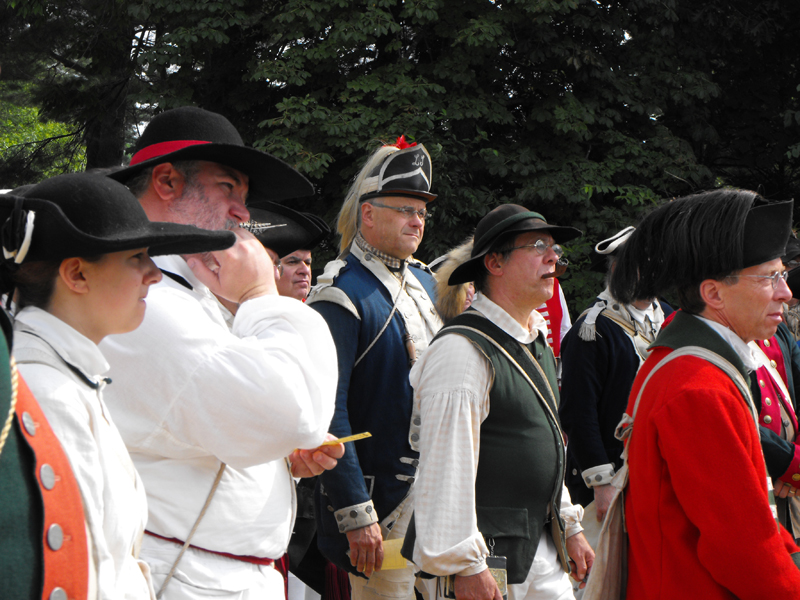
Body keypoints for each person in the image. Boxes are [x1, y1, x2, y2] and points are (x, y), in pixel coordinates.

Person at [101, 106, 343, 599]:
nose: (243, 213)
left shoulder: (183, 293)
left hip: (207, 573)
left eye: (244, 197)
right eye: (228, 188)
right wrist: (260, 295)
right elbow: (288, 412)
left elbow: (234, 422)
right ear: (167, 181)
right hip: (184, 578)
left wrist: (278, 457)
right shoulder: (142, 300)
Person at [1, 172, 236, 599]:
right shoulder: (47, 391)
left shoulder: (67, 375)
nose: (154, 274)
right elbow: (78, 575)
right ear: (77, 274)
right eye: (136, 257)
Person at [609, 189, 800, 598]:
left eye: (783, 275)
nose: (785, 292)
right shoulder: (698, 388)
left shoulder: (688, 366)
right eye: (770, 277)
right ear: (713, 294)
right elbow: (744, 552)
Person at [409, 203, 594, 600]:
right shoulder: (461, 350)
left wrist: (569, 525)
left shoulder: (535, 340)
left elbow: (547, 448)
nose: (553, 257)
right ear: (494, 262)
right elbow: (445, 465)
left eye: (554, 248)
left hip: (539, 549)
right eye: (538, 246)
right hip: (484, 557)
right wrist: (463, 564)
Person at [306, 136, 442, 599]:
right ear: (368, 213)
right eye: (405, 209)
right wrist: (355, 511)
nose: (417, 221)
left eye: (421, 212)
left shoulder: (427, 283)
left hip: (440, 501)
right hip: (381, 506)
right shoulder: (340, 293)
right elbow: (330, 411)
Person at [559, 227, 671, 519]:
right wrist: (601, 482)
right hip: (614, 477)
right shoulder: (592, 329)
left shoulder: (668, 317)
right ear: (617, 271)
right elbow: (578, 412)